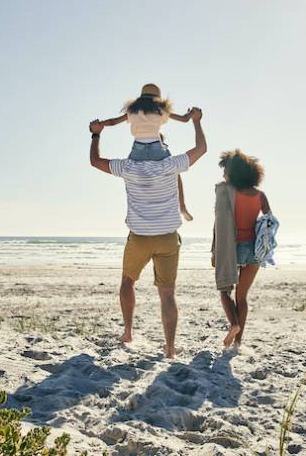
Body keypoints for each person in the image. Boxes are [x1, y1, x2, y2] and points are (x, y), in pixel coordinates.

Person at [88, 108, 207, 358]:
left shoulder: (128, 167)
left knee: (127, 282)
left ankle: (128, 332)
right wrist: (195, 122)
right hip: (167, 238)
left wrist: (96, 135)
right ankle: (170, 349)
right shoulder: (171, 165)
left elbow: (95, 162)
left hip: (140, 237)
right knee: (167, 294)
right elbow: (201, 148)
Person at [91, 83, 196, 221]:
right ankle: (182, 207)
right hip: (157, 148)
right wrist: (191, 114)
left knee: (131, 175)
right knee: (174, 172)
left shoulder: (133, 111)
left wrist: (99, 125)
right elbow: (184, 119)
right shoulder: (160, 110)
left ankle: (135, 213)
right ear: (158, 98)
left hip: (138, 149)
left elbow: (113, 122)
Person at [211, 150, 271, 348]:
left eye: (225, 170)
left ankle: (234, 324)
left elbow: (219, 224)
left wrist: (214, 251)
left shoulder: (226, 192)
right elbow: (270, 222)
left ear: (233, 172)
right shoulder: (260, 195)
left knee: (224, 291)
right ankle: (238, 342)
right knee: (242, 297)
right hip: (254, 249)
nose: (223, 175)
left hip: (231, 248)